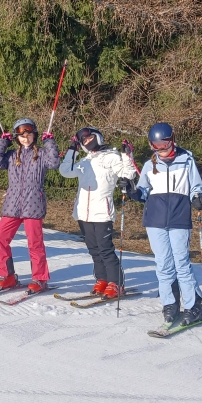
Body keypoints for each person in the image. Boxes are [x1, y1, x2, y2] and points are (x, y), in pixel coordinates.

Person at [124, 123, 202, 326]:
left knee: (182, 264)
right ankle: (170, 304)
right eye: (156, 145)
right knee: (163, 264)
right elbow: (143, 192)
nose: (161, 149)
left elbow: (196, 187)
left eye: (164, 144)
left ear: (172, 140)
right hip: (155, 221)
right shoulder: (149, 165)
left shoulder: (186, 161)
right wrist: (132, 191)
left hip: (179, 219)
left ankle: (194, 306)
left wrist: (198, 197)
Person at [59, 126, 138, 300]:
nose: (87, 141)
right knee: (93, 249)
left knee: (105, 249)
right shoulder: (85, 161)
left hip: (102, 211)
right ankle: (102, 279)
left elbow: (128, 173)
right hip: (83, 212)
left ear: (98, 137)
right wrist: (72, 150)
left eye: (90, 138)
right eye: (84, 141)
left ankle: (116, 282)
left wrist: (127, 155)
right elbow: (65, 171)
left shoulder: (111, 156)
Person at [0, 118, 61, 293]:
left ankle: (40, 278)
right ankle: (7, 276)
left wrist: (49, 142)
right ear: (17, 138)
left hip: (33, 205)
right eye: (21, 136)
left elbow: (54, 163)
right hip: (12, 205)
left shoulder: (42, 154)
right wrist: (2, 143)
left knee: (35, 243)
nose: (25, 138)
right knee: (0, 237)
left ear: (34, 135)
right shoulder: (12, 155)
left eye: (28, 135)